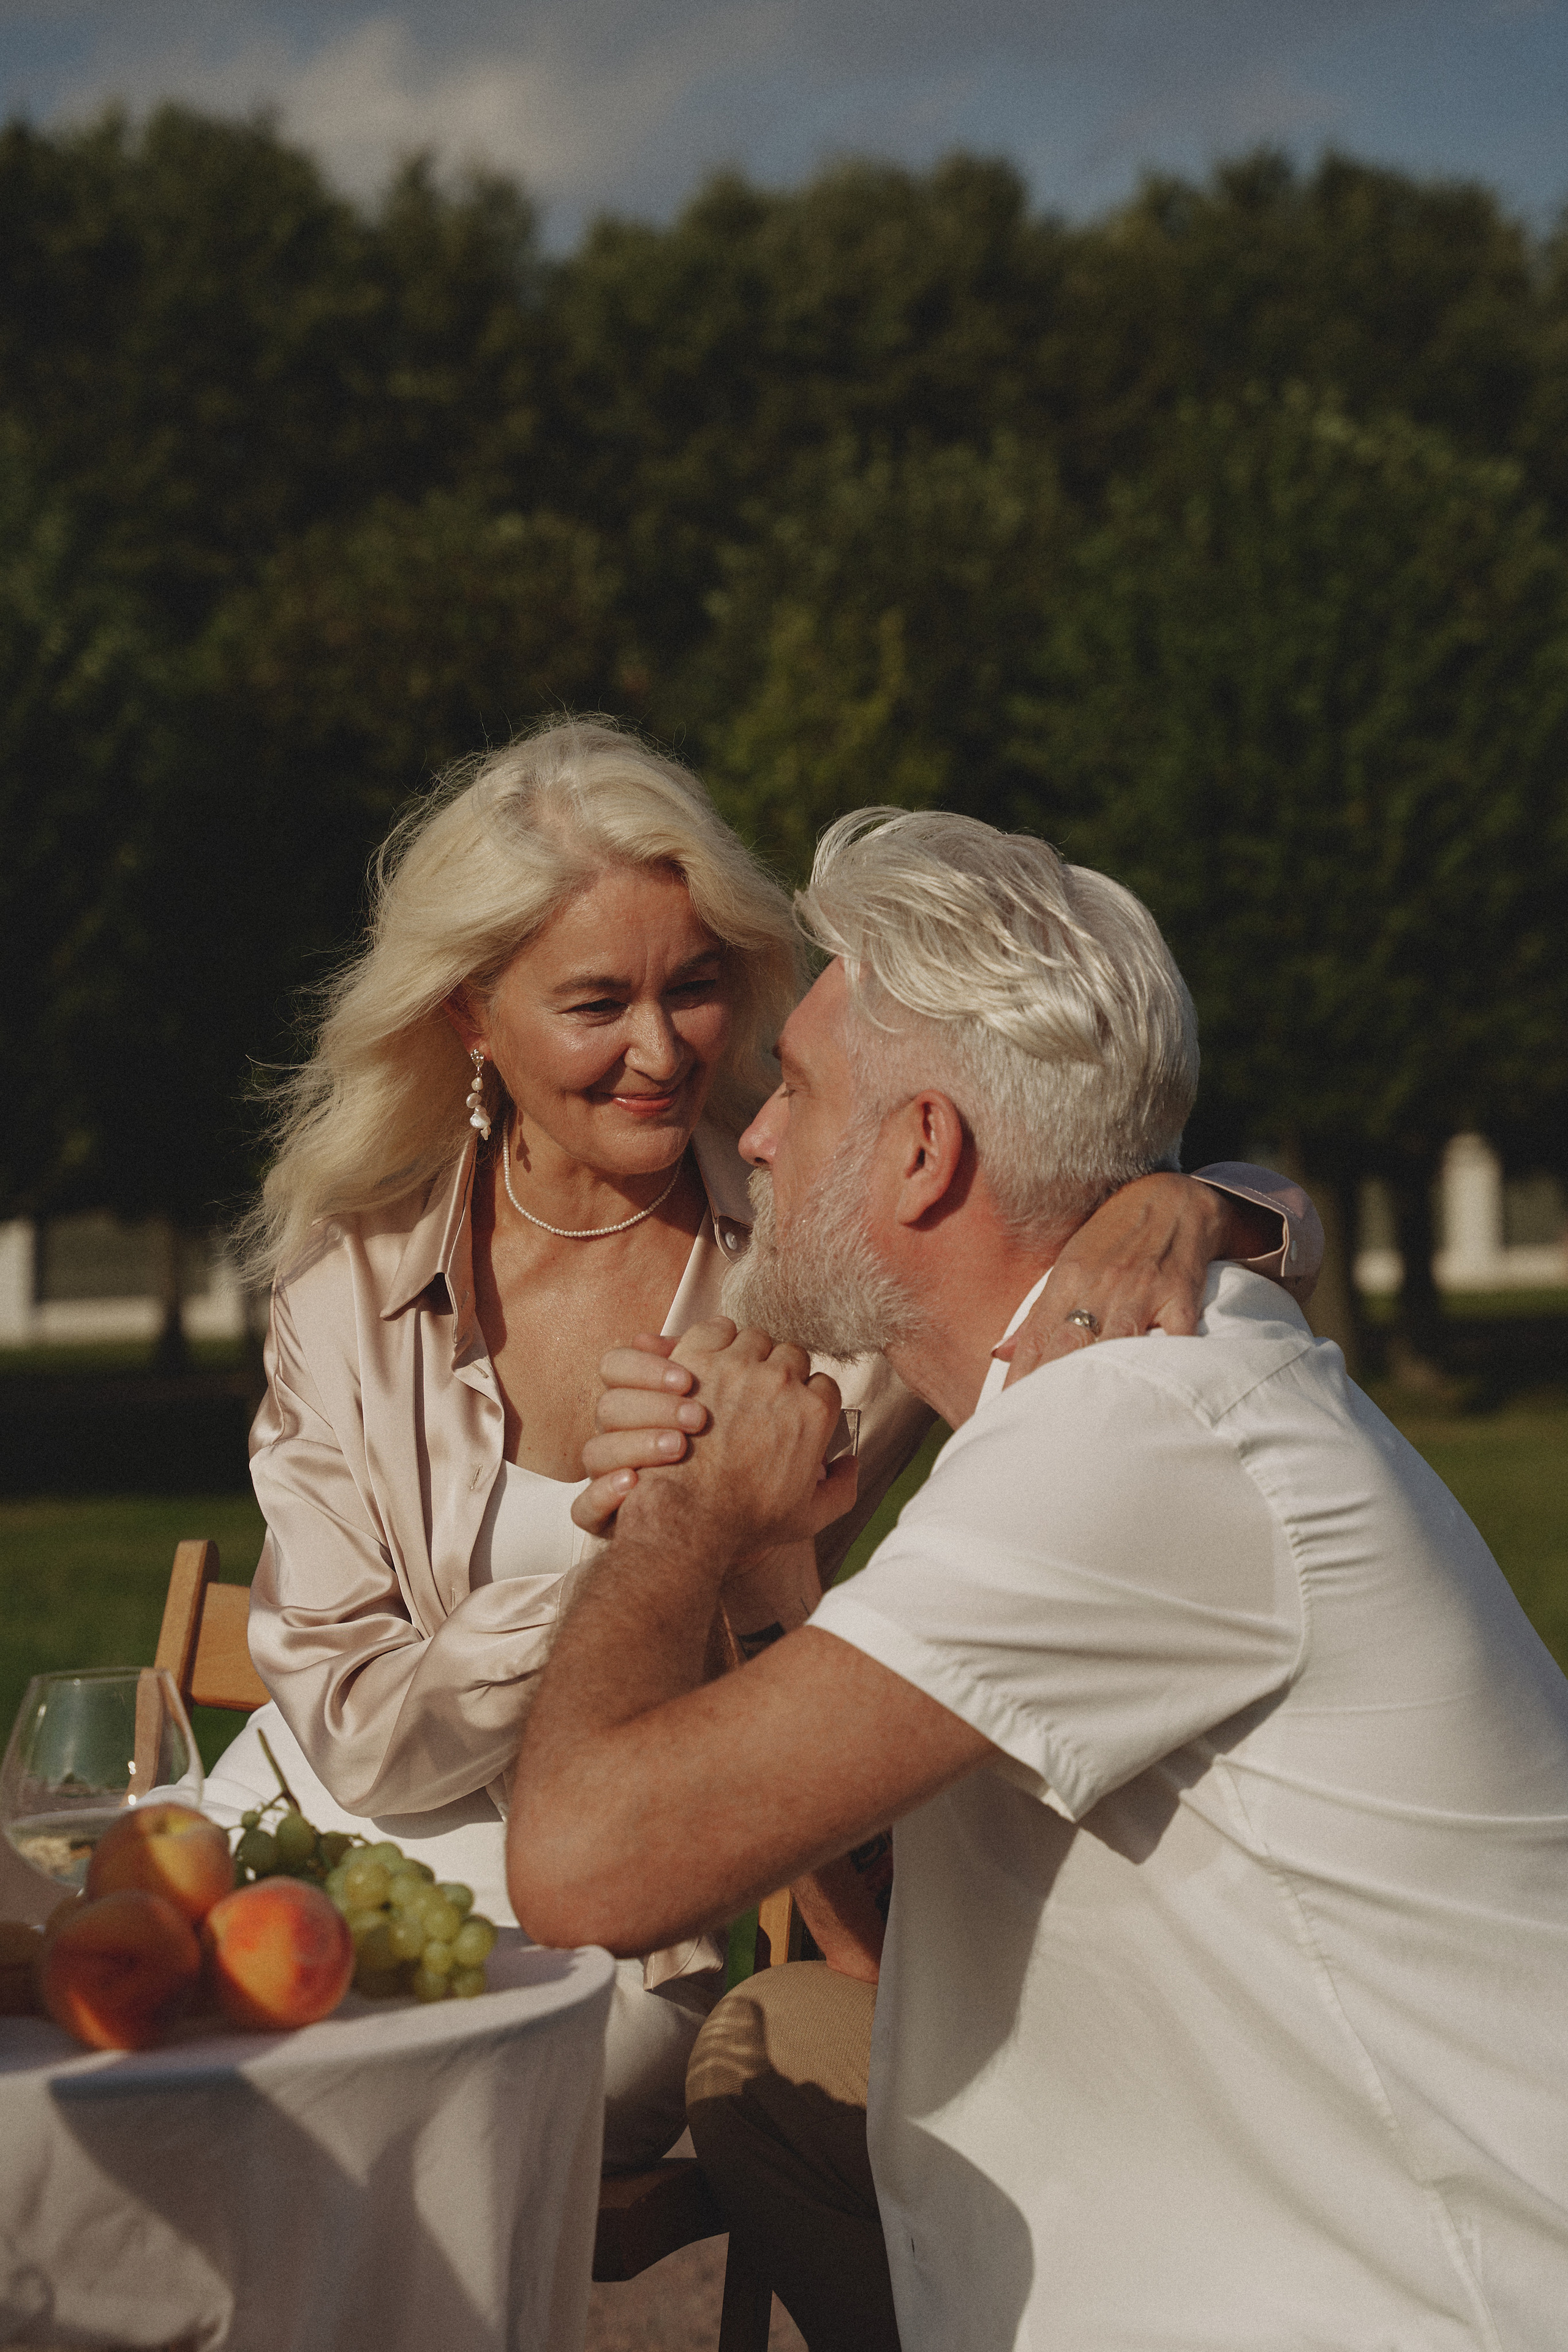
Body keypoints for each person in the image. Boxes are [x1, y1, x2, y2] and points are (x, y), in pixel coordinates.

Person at [507, 806, 1568, 2347]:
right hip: (1277, 2234)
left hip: (1425, 2305)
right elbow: (893, 1958)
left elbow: (578, 1867)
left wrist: (675, 1516)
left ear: (923, 1151)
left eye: (796, 1088)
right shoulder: (1122, 1389)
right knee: (787, 2043)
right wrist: (763, 1570)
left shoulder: (1128, 1439)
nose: (755, 1135)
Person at [210, 722, 1313, 2169]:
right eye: (596, 1002)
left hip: (616, 1917)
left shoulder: (816, 1236)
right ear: (471, 1013)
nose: (661, 1051)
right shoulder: (346, 1274)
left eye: (694, 986)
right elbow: (353, 1721)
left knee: (375, 2129)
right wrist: (647, 1554)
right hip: (308, 1831)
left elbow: (1112, 1202)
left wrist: (1190, 1202)